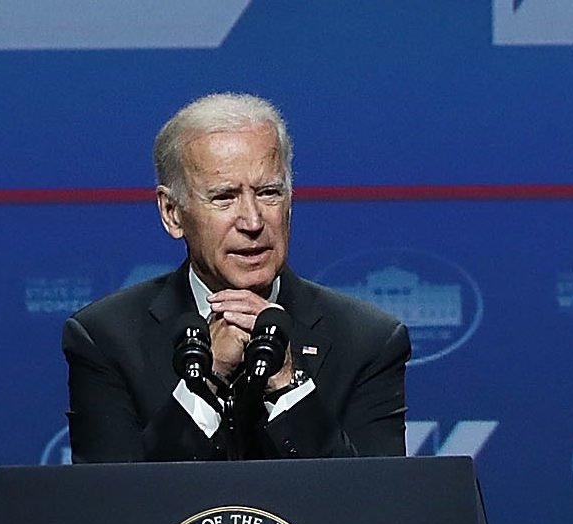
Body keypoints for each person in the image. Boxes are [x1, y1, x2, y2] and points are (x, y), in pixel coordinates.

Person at [63, 93, 409, 462]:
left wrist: (288, 388)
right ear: (172, 213)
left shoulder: (366, 339)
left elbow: (375, 504)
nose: (253, 222)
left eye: (268, 193)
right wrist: (206, 380)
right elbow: (113, 505)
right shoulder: (106, 338)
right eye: (225, 197)